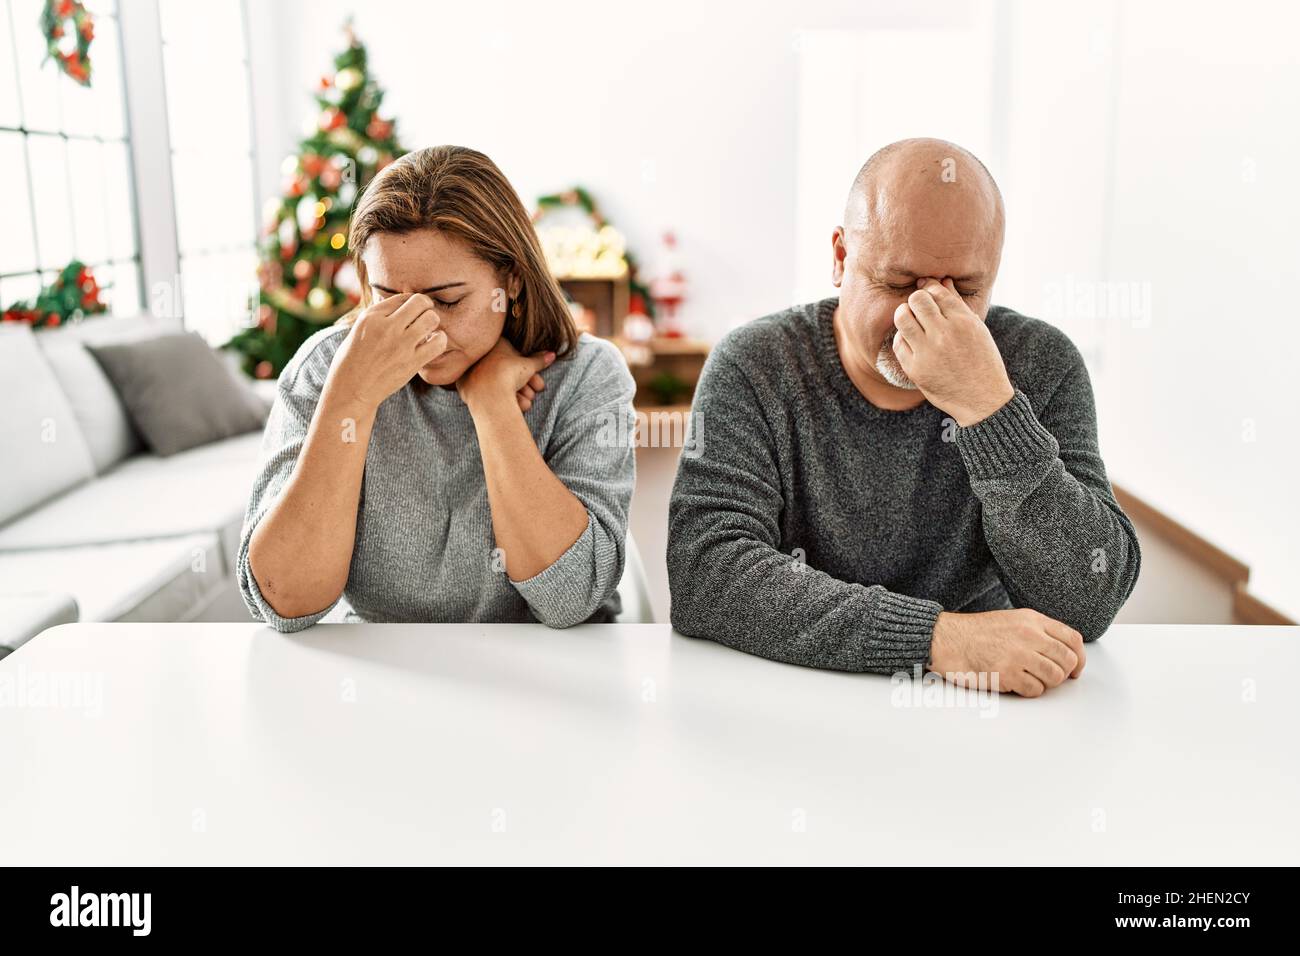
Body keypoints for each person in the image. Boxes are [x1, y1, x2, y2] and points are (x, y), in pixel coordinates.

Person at [667, 137, 1140, 697]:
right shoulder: (756, 363)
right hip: (799, 694)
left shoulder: (1041, 363)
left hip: (986, 708)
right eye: (897, 284)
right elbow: (706, 573)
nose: (927, 315)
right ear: (841, 257)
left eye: (964, 289)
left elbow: (1090, 597)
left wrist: (988, 409)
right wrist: (937, 640)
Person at [238, 145, 636, 631]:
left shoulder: (587, 374)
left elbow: (571, 599)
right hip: (384, 675)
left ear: (510, 280)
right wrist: (351, 399)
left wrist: (492, 406)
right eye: (389, 299)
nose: (420, 330)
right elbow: (285, 603)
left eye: (446, 301)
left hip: (547, 682)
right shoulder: (326, 370)